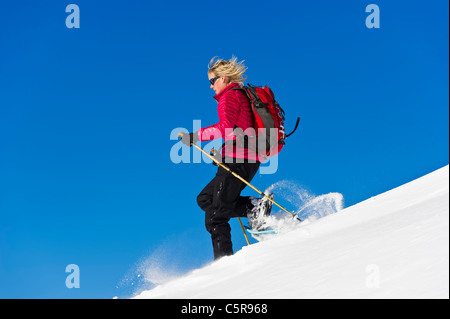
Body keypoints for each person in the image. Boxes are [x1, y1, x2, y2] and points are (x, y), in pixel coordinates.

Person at [178, 56, 272, 260]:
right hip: (244, 158)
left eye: (213, 81)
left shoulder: (229, 97)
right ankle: (253, 207)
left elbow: (225, 127)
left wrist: (195, 136)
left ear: (224, 78)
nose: (211, 86)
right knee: (206, 199)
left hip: (240, 160)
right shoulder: (240, 95)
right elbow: (238, 131)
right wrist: (223, 153)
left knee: (215, 217)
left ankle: (224, 267)